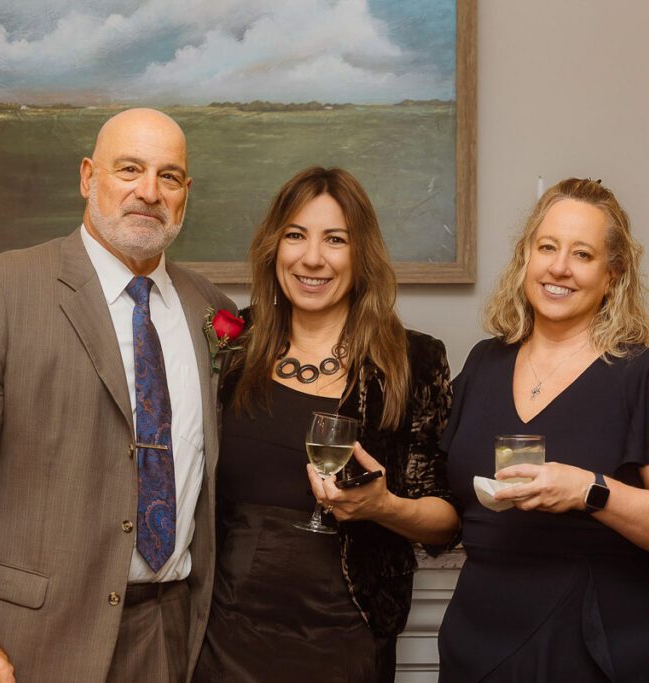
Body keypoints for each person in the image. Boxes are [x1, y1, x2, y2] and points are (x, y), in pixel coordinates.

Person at [0, 108, 236, 683]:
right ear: (89, 177)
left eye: (168, 176)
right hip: (26, 642)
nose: (149, 192)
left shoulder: (210, 310)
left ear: (185, 194)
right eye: (130, 169)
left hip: (169, 634)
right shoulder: (0, 288)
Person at [437, 178, 649, 682]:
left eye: (582, 254)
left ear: (612, 275)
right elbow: (446, 496)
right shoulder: (483, 363)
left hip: (605, 642)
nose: (559, 267)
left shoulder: (647, 376)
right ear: (526, 257)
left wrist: (588, 490)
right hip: (480, 639)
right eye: (547, 247)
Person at [191, 167, 459, 683]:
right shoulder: (234, 345)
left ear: (362, 254)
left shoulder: (413, 361)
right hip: (224, 636)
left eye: (335, 239)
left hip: (346, 639)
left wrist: (383, 507)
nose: (312, 258)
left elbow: (446, 521)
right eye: (296, 235)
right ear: (274, 247)